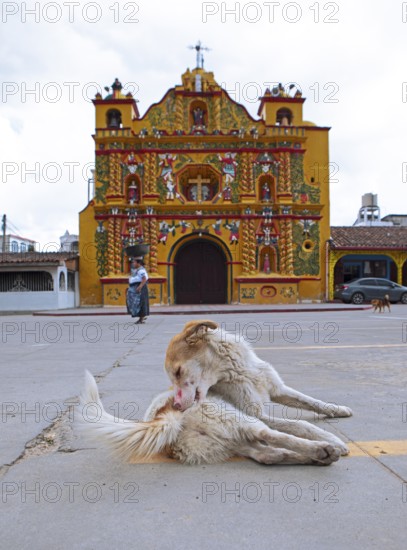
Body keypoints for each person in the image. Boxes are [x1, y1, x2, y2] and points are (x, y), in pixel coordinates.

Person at [126, 257, 149, 324]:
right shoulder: (137, 270)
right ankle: (141, 317)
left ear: (138, 263)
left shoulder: (141, 270)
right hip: (135, 286)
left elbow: (144, 279)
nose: (133, 263)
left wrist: (140, 287)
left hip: (139, 286)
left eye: (134, 262)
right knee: (136, 302)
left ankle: (141, 317)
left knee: (140, 302)